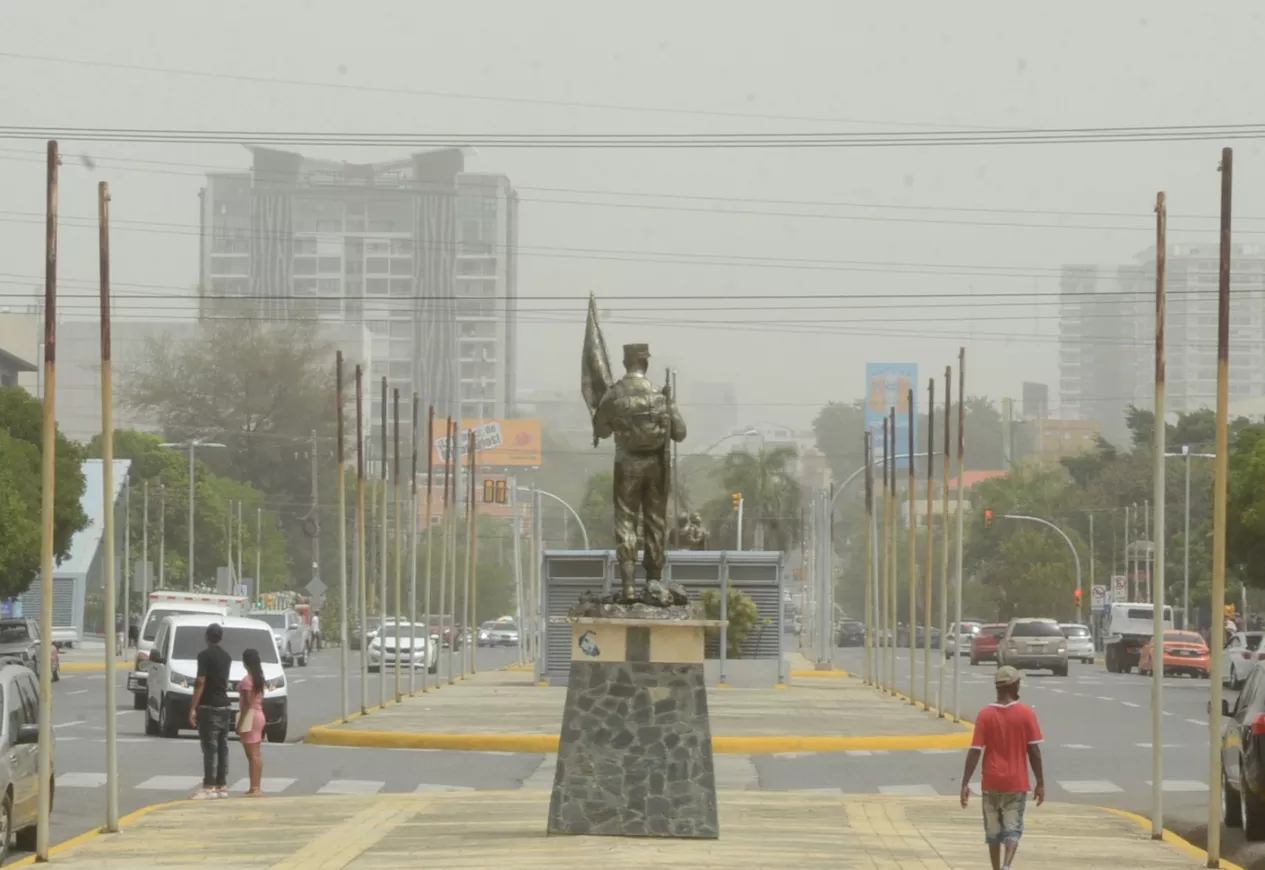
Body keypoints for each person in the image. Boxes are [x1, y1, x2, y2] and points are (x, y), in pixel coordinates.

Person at [960, 666, 1045, 870]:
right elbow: (1034, 752)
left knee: (993, 833)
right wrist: (1040, 783)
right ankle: (1007, 865)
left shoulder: (985, 714)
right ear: (1015, 685)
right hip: (1016, 783)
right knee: (1012, 830)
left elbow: (974, 751)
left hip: (990, 781)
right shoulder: (1026, 714)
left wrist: (965, 783)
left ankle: (996, 868)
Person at [188, 623, 233, 800]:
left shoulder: (204, 656)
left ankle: (209, 786)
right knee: (222, 747)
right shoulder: (226, 657)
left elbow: (200, 681)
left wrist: (193, 707)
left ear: (207, 637)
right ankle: (221, 785)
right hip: (225, 704)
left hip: (209, 705)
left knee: (209, 747)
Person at [236, 648, 267, 796]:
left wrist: (240, 723)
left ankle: (255, 787)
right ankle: (255, 786)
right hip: (259, 714)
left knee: (253, 754)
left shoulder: (247, 681)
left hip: (251, 716)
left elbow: (247, 704)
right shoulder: (259, 679)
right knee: (256, 754)